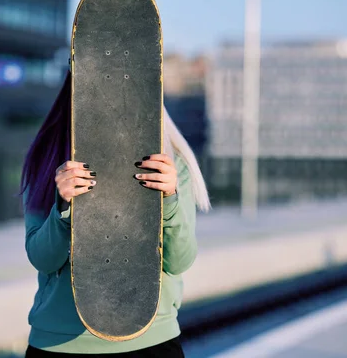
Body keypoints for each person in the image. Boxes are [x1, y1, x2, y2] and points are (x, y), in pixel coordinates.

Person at [19, 71, 211, 357]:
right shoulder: (50, 157)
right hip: (60, 344)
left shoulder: (169, 161)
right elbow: (43, 259)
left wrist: (169, 199)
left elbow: (179, 260)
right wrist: (65, 208)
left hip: (149, 340)